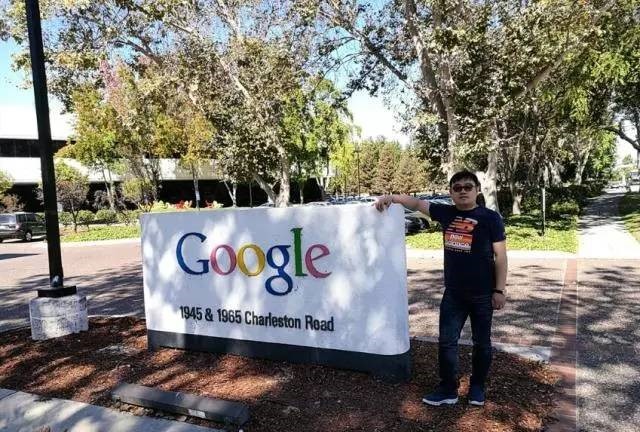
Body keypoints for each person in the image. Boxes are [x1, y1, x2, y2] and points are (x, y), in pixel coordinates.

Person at [375, 170, 507, 407]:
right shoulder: (446, 213)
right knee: (447, 342)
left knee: (482, 343)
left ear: (477, 190)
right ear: (451, 192)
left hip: (483, 294)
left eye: (468, 187)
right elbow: (416, 203)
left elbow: (501, 256)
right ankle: (448, 388)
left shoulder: (490, 218)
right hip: (453, 293)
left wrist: (499, 290)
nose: (463, 191)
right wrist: (391, 198)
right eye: (457, 188)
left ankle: (477, 387)